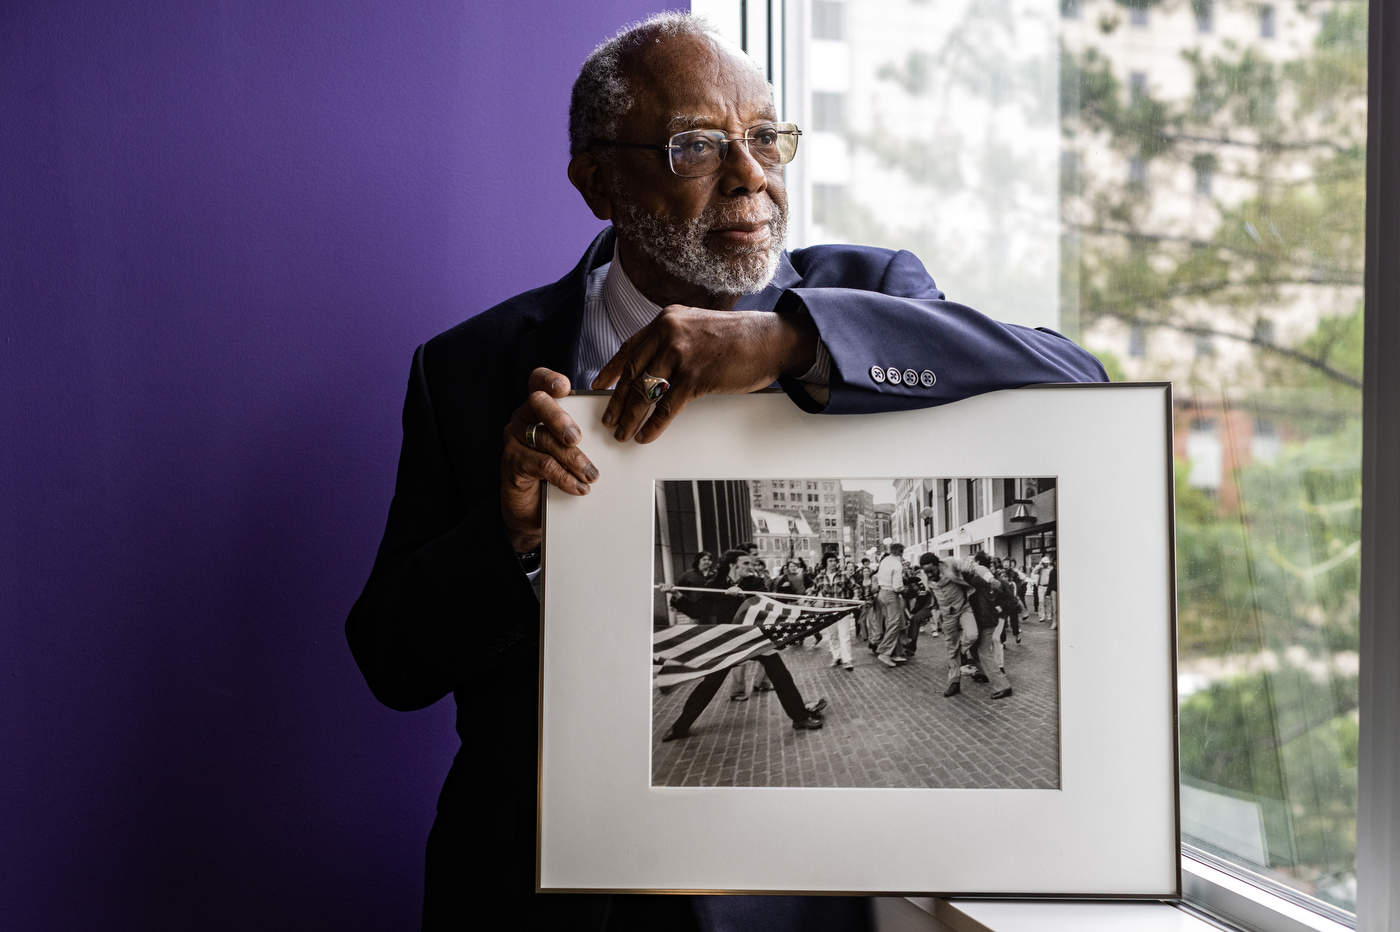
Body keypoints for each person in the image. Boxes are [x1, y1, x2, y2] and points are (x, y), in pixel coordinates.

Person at [344, 12, 1106, 930]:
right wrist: (509, 536)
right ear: (599, 181)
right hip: (529, 893)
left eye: (766, 137)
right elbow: (392, 662)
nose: (752, 175)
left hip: (780, 900)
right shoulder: (467, 370)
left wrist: (788, 339)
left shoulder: (865, 294)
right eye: (697, 145)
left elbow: (1077, 378)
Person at [658, 550, 827, 739]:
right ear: (733, 565)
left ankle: (800, 718)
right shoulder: (715, 585)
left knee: (781, 675)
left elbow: (767, 601)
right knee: (709, 684)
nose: (751, 567)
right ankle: (680, 727)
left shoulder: (754, 583)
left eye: (750, 563)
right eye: (746, 563)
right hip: (730, 641)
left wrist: (744, 598)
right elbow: (696, 611)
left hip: (754, 638)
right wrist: (676, 593)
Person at [919, 553, 1013, 699]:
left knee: (972, 636)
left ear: (938, 564)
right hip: (947, 614)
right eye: (926, 572)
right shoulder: (925, 575)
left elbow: (974, 567)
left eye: (932, 570)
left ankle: (962, 652)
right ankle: (954, 682)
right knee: (951, 649)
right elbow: (931, 594)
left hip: (963, 608)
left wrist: (991, 578)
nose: (930, 574)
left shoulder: (950, 563)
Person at [815, 555, 856, 671]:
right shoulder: (819, 577)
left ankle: (847, 660)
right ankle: (836, 656)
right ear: (825, 563)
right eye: (830, 561)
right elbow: (813, 591)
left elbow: (855, 587)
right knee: (833, 636)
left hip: (842, 610)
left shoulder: (844, 575)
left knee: (844, 635)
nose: (833, 563)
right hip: (829, 610)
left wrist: (856, 597)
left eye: (835, 561)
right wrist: (807, 602)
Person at [873, 543, 909, 667]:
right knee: (895, 623)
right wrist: (903, 589)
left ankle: (896, 652)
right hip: (891, 594)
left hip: (881, 593)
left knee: (891, 623)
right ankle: (885, 652)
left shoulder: (885, 560)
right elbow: (898, 586)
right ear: (900, 552)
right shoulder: (897, 564)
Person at [670, 550, 715, 624]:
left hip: (712, 611)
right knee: (695, 632)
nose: (707, 562)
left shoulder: (716, 575)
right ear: (698, 561)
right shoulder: (688, 575)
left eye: (709, 560)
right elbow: (679, 590)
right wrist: (672, 604)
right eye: (704, 559)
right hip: (694, 610)